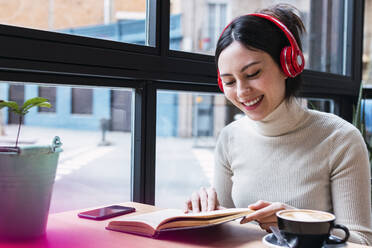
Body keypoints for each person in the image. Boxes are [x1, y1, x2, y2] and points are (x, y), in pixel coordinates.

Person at [184, 4, 372, 245]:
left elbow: (361, 242)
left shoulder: (340, 139)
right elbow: (225, 228)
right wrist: (204, 210)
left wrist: (295, 222)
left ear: (288, 64)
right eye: (229, 81)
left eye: (252, 74)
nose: (242, 92)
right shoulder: (230, 137)